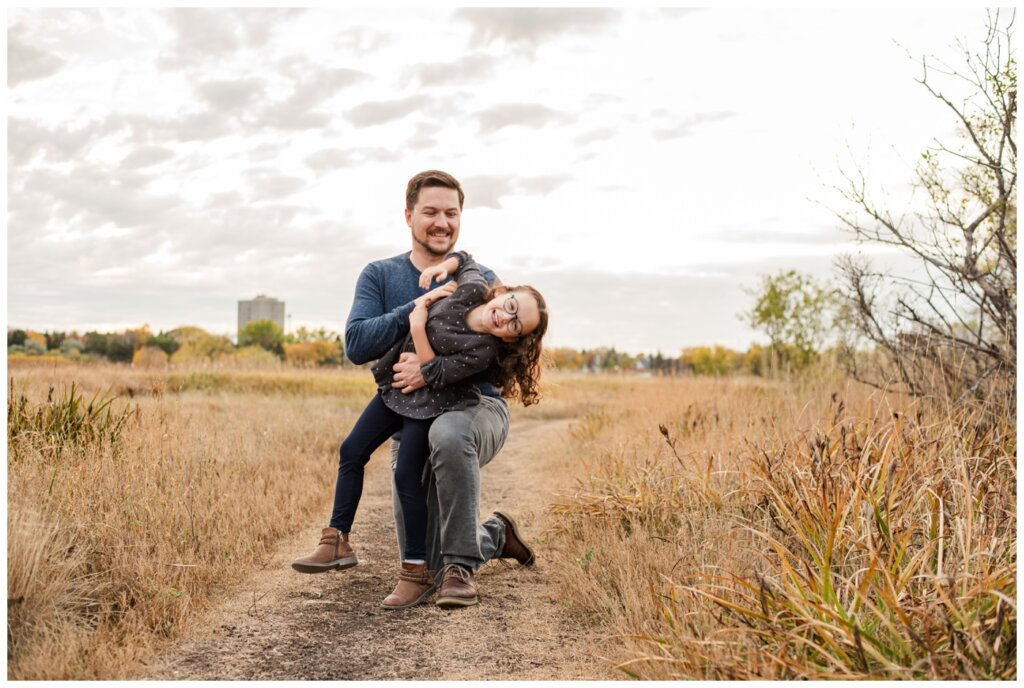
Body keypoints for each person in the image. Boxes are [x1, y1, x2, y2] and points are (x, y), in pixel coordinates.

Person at [291, 170, 539, 608]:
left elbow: (488, 368)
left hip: (472, 406)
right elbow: (357, 345)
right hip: (408, 406)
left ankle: (461, 570)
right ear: (409, 216)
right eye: (430, 212)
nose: (442, 222)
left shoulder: (486, 284)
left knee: (448, 436)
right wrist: (420, 307)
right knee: (428, 551)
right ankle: (494, 535)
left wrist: (428, 368)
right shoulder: (380, 275)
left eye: (451, 213)